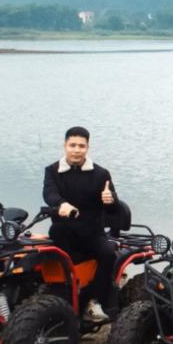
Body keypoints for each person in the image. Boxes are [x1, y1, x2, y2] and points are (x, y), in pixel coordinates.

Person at [41, 126, 119, 324]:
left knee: (108, 253)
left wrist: (110, 200)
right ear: (65, 145)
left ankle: (95, 302)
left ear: (87, 148)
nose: (76, 150)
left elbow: (113, 208)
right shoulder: (53, 171)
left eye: (81, 146)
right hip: (64, 232)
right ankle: (61, 295)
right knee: (55, 233)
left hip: (92, 232)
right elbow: (49, 193)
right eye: (72, 145)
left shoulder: (101, 174)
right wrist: (61, 204)